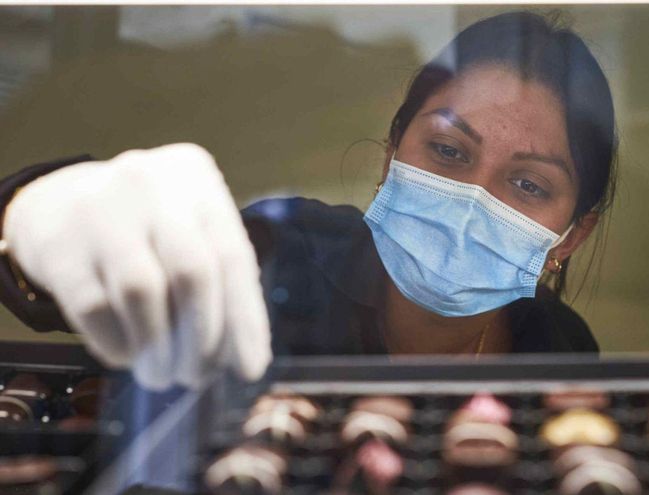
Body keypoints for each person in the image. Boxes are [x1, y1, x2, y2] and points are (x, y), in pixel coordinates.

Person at [0, 11, 617, 390]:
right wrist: (33, 212)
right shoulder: (280, 255)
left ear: (570, 237)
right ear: (391, 159)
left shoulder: (560, 345)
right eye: (449, 152)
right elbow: (108, 273)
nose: (470, 199)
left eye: (529, 184)